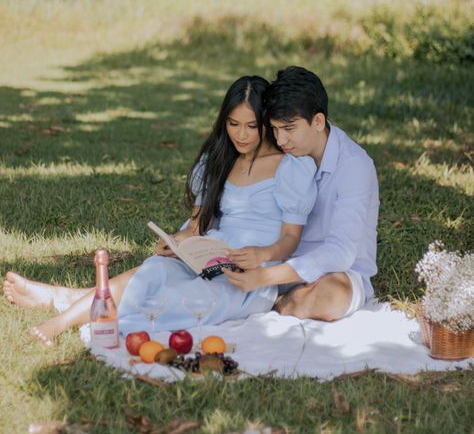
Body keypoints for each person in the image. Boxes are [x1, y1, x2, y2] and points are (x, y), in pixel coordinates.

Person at [3, 75, 317, 346]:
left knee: (179, 301)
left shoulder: (290, 168)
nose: (242, 135)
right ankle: (57, 324)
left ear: (266, 124)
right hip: (210, 254)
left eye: (252, 126)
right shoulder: (220, 159)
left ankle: (64, 299)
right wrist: (177, 241)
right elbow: (197, 225)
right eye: (233, 124)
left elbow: (290, 239)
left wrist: (262, 255)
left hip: (250, 274)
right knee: (151, 272)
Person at [224, 66, 379, 322]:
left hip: (334, 273)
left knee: (333, 296)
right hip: (279, 264)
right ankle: (271, 299)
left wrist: (265, 278)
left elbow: (340, 252)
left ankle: (275, 304)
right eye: (274, 129)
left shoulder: (354, 165)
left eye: (289, 129)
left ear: (318, 121)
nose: (281, 139)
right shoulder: (287, 156)